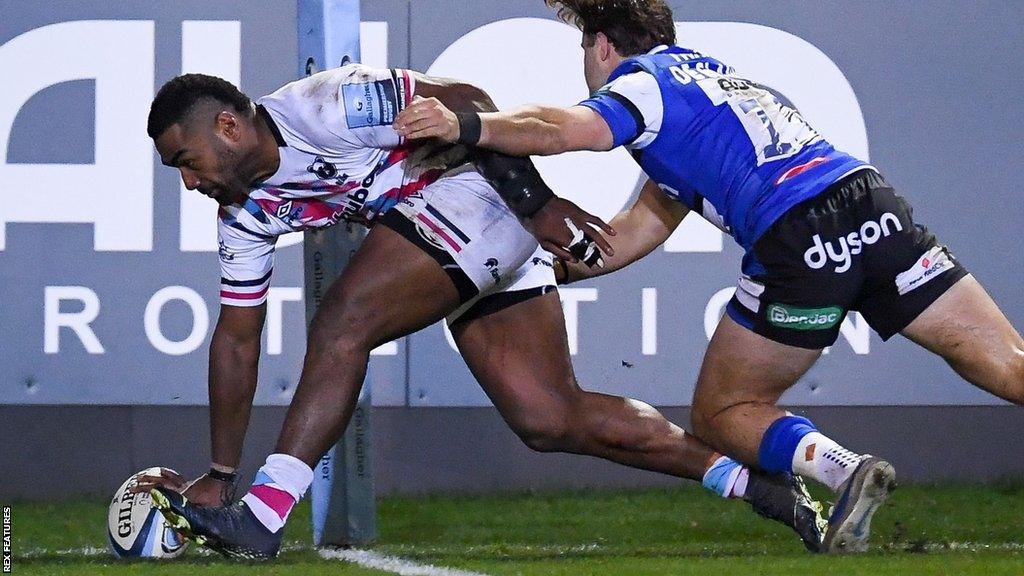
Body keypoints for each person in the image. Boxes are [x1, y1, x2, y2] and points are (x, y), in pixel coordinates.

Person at [393, 0, 1024, 554]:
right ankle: (844, 472)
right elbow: (625, 238)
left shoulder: (643, 84)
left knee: (723, 414)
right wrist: (527, 272)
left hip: (799, 234)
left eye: (585, 48)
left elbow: (570, 129)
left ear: (604, 45)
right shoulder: (717, 83)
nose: (586, 66)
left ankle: (842, 470)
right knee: (1005, 361)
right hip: (873, 208)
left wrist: (466, 124)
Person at [138, 64, 827, 560]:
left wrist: (537, 202)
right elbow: (236, 341)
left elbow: (468, 100)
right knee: (551, 417)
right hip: (453, 237)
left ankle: (265, 514)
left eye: (186, 160)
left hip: (485, 195)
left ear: (228, 125)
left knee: (344, 320)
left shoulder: (328, 106)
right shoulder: (243, 217)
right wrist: (220, 471)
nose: (189, 180)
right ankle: (757, 487)